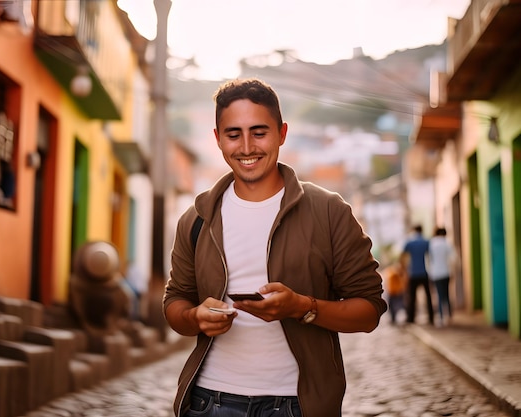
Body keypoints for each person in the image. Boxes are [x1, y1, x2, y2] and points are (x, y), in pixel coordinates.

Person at [163, 78, 387, 417]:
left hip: (298, 405)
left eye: (259, 132)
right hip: (211, 402)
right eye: (233, 134)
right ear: (218, 139)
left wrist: (301, 307)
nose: (247, 147)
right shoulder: (196, 218)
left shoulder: (329, 211)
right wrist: (195, 317)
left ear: (282, 133)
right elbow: (174, 302)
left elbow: (369, 311)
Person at [402, 224, 434, 325]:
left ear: (414, 230)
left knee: (412, 297)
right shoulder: (426, 242)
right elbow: (430, 256)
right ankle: (431, 317)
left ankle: (411, 318)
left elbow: (403, 256)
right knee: (428, 296)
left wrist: (404, 270)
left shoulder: (410, 242)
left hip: (413, 272)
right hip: (424, 272)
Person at [428, 227, 455, 326]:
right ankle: (449, 316)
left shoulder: (431, 244)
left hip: (435, 273)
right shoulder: (446, 243)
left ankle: (441, 317)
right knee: (447, 294)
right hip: (446, 272)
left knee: (439, 295)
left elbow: (429, 259)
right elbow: (453, 258)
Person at [382, 253, 408, 324]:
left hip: (397, 291)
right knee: (393, 307)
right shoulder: (392, 272)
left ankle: (396, 319)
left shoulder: (397, 272)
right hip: (393, 291)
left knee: (399, 306)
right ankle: (393, 319)